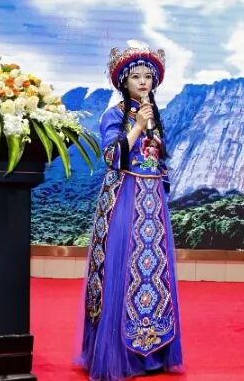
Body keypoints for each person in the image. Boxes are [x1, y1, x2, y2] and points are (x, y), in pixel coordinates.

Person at [76, 42, 184, 380]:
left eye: (147, 77)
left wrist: (153, 137)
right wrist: (137, 126)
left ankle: (152, 353)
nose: (143, 82)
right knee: (122, 267)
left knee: (154, 272)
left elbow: (159, 161)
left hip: (152, 201)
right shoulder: (114, 115)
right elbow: (111, 157)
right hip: (124, 196)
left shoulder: (154, 116)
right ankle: (119, 356)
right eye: (136, 77)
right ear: (123, 81)